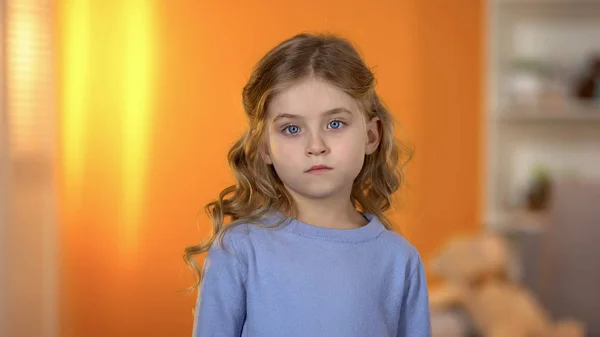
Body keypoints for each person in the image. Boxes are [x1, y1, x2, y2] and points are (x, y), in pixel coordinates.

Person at [184, 32, 431, 337]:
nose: (316, 145)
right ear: (264, 147)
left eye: (335, 124)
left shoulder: (400, 260)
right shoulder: (239, 249)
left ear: (371, 136)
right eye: (292, 129)